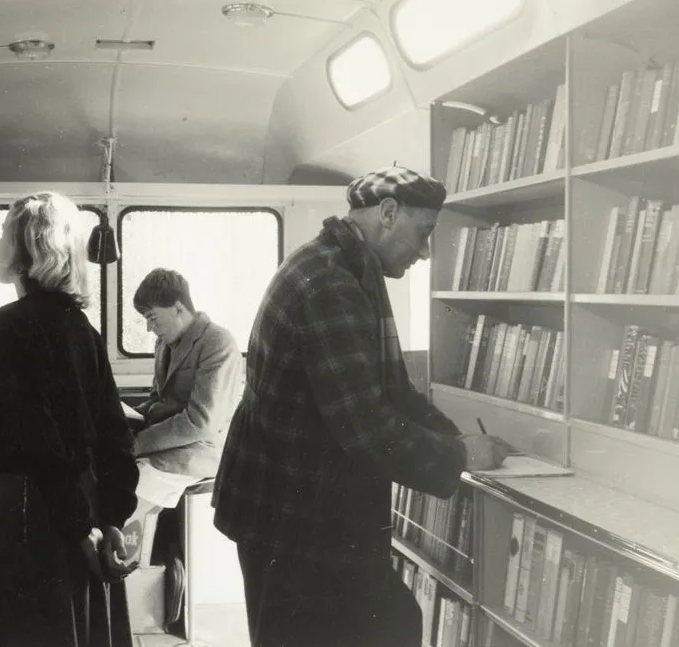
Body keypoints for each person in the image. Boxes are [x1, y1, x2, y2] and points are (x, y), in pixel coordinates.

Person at [212, 166, 512, 647]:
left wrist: (453, 437)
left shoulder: (346, 267)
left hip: (293, 511)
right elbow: (365, 425)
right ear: (388, 213)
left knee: (391, 623)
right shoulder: (332, 282)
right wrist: (461, 456)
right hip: (292, 522)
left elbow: (392, 391)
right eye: (424, 233)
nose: (425, 251)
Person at [0, 191, 139, 646]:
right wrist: (111, 519)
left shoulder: (8, 324)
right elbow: (114, 437)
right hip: (84, 501)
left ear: (27, 247)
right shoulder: (86, 331)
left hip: (30, 507)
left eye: (3, 234)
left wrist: (80, 530)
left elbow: (11, 438)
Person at [131, 268, 242, 479]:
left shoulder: (217, 342)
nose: (149, 327)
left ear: (178, 309)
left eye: (152, 317)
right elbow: (157, 399)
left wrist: (137, 443)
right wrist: (128, 419)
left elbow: (201, 422)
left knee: (135, 476)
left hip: (203, 447)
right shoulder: (163, 344)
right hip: (172, 442)